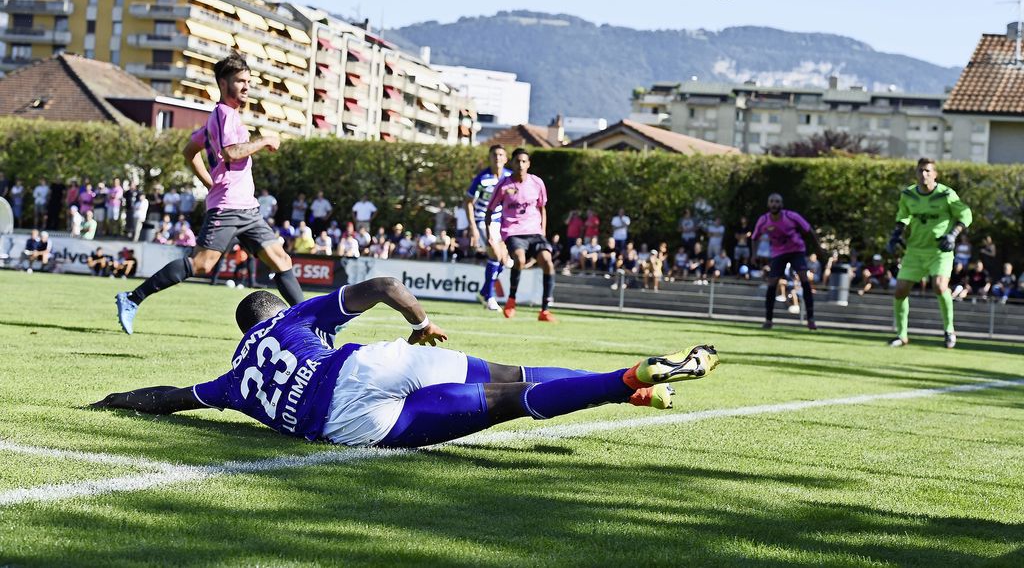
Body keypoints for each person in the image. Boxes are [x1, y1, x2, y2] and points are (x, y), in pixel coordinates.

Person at [91, 278, 721, 447]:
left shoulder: (232, 380)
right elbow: (386, 284)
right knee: (516, 377)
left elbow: (169, 398)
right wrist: (419, 324)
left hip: (348, 421)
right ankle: (628, 381)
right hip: (370, 366)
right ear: (273, 311)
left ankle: (628, 384)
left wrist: (114, 401)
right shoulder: (296, 317)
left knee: (508, 405)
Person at [115, 53, 304, 335]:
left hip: (247, 208)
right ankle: (132, 298)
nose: (246, 86)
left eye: (248, 81)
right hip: (227, 208)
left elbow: (189, 151)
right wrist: (264, 140)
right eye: (240, 81)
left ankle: (311, 322)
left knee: (282, 260)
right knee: (202, 264)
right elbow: (230, 152)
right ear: (223, 83)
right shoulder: (224, 114)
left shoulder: (219, 119)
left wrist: (209, 182)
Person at [886, 157, 972, 349]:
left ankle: (949, 331)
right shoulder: (908, 194)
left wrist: (952, 235)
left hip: (939, 252)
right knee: (900, 290)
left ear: (935, 174)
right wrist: (896, 234)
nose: (924, 174)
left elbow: (966, 214)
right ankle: (901, 335)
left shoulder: (946, 194)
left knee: (940, 287)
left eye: (927, 171)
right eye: (920, 171)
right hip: (915, 251)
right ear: (916, 173)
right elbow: (903, 215)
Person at [485, 148, 557, 322]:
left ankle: (545, 310)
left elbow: (542, 208)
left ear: (529, 164)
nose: (521, 164)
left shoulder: (537, 183)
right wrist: (490, 236)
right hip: (513, 232)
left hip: (535, 232)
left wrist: (543, 231)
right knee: (520, 260)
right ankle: (511, 301)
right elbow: (489, 211)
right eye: (517, 161)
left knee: (547, 262)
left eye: (524, 161)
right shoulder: (504, 185)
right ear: (512, 163)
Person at [751, 193, 820, 330]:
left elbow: (809, 230)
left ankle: (810, 319)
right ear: (768, 204)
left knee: (804, 280)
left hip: (796, 251)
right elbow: (754, 238)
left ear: (781, 205)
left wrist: (818, 248)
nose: (774, 204)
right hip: (778, 253)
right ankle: (768, 320)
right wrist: (754, 254)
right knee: (772, 283)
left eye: (777, 201)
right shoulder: (764, 220)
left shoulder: (791, 216)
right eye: (772, 201)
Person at [465, 144, 513, 311]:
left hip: (502, 222)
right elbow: (468, 202)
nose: (497, 157)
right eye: (494, 155)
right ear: (490, 158)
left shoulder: (510, 177)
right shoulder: (482, 178)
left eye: (500, 155)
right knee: (495, 255)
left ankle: (484, 292)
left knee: (505, 261)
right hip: (483, 220)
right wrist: (473, 227)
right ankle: (490, 298)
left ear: (506, 159)